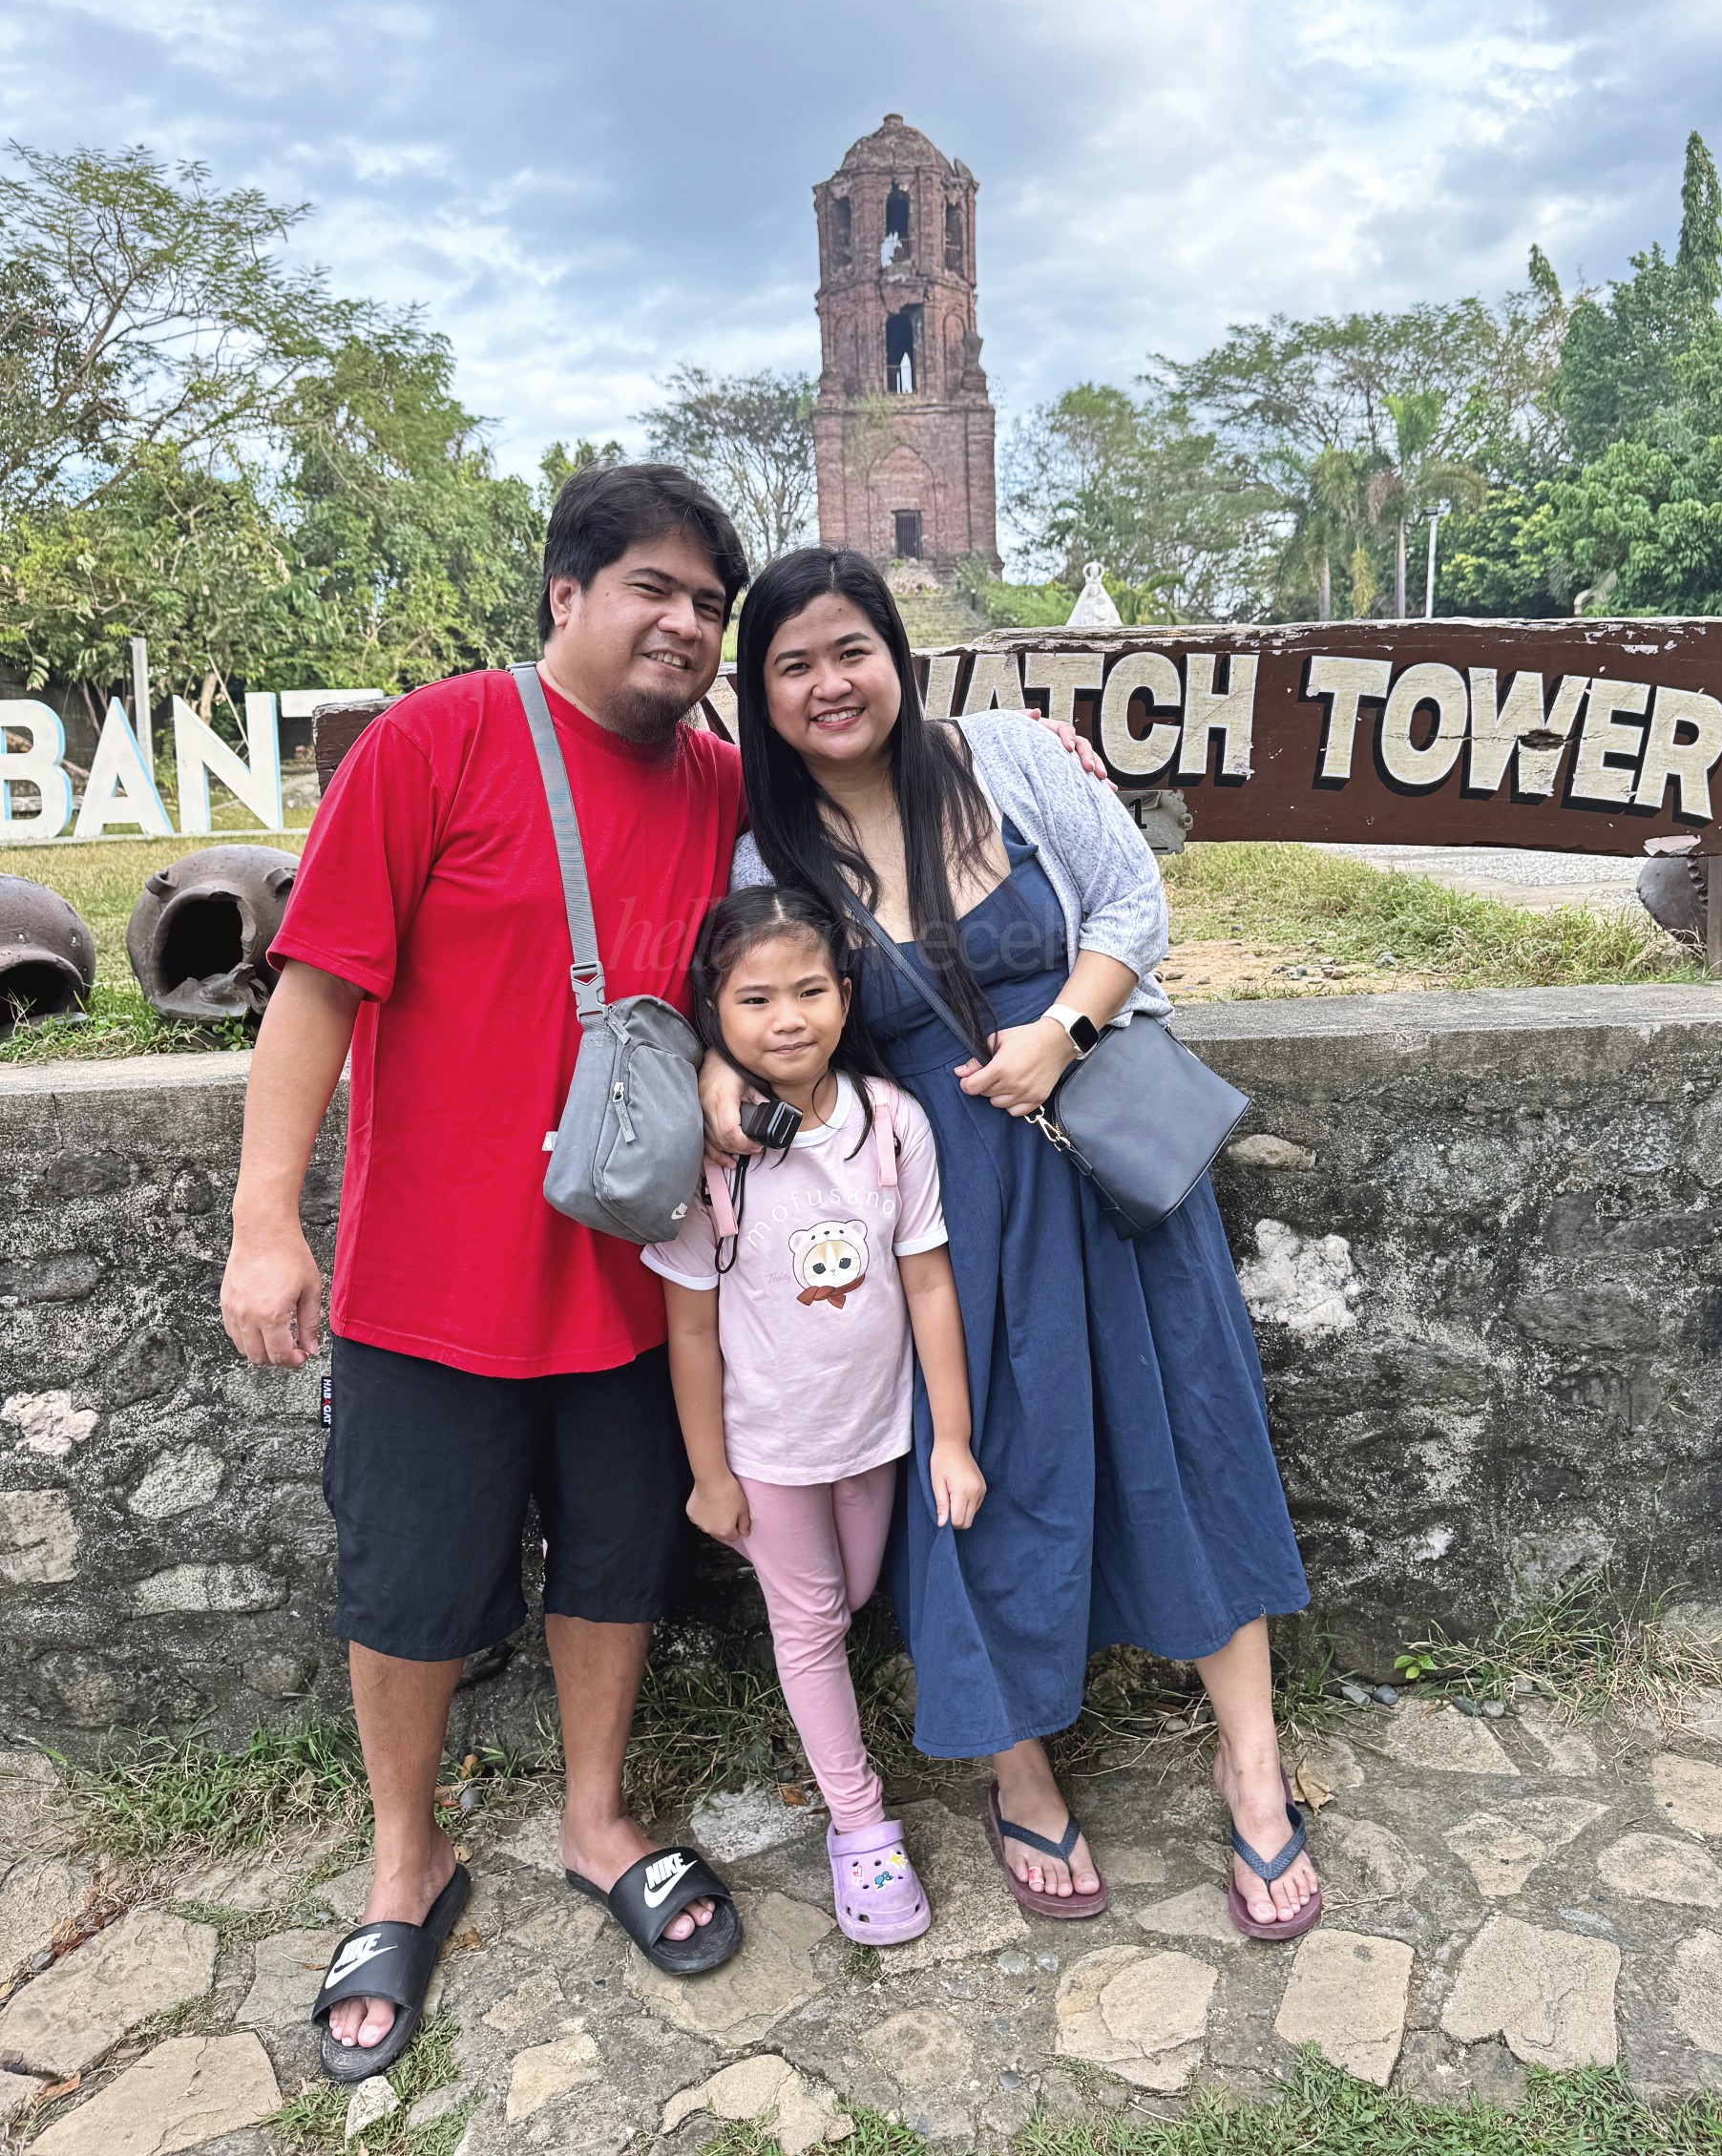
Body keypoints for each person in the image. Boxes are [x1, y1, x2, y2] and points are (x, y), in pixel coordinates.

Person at [220, 465, 757, 2083]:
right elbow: (314, 994)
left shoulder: (723, 785)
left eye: (710, 605)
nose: (686, 625)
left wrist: (1048, 753)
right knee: (408, 1586)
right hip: (428, 1282)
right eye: (654, 587)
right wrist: (266, 1218)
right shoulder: (434, 745)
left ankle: (597, 1820)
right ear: (566, 596)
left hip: (634, 1281)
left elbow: (875, 779)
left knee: (614, 1563)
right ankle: (408, 1857)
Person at [705, 546, 1322, 1940]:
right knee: (974, 1477)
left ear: (896, 653)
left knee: (1195, 1438)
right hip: (941, 1218)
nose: (828, 684)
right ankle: (1017, 1763)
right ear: (762, 694)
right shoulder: (771, 854)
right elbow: (760, 1016)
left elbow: (1132, 907)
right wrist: (711, 1080)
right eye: (792, 664)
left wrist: (1061, 1032)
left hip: (1105, 1159)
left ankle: (1254, 1763)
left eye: (849, 649)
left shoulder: (1003, 758)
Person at [644, 887, 985, 1943]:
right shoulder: (710, 1158)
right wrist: (710, 1473)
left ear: (845, 994)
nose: (786, 1018)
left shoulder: (893, 1123)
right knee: (809, 1625)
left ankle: (830, 1720)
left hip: (875, 1435)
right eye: (756, 998)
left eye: (809, 990)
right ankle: (859, 1823)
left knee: (853, 1595)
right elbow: (690, 1329)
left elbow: (929, 1282)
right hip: (770, 1451)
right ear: (716, 1006)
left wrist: (954, 1437)